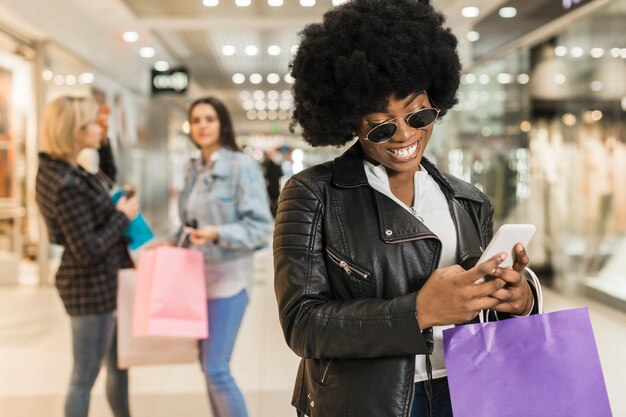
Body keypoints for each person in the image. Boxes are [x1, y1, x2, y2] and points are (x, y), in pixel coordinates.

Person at [273, 1, 541, 417]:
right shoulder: (313, 195)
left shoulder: (467, 199)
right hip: (368, 402)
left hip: (468, 389)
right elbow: (303, 324)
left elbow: (483, 303)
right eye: (381, 125)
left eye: (419, 114)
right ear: (351, 122)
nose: (404, 135)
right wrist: (419, 311)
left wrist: (517, 298)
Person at [169, 96, 273, 417]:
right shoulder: (193, 168)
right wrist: (171, 243)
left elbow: (260, 227)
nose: (202, 126)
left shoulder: (241, 166)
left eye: (209, 119)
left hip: (229, 280)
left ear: (222, 124)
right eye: (196, 120)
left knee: (216, 368)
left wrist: (219, 233)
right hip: (194, 279)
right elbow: (190, 223)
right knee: (207, 366)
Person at [36, 96, 138, 417]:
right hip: (89, 290)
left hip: (106, 284)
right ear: (75, 130)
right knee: (84, 378)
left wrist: (104, 142)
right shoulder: (65, 182)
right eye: (94, 124)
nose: (100, 128)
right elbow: (88, 249)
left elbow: (105, 178)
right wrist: (122, 216)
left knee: (119, 366)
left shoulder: (67, 170)